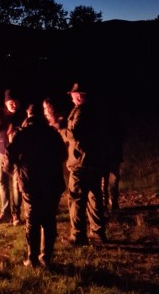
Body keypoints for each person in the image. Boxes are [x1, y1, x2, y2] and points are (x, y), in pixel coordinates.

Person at [5, 102, 68, 268]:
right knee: (48, 220)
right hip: (51, 183)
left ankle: (32, 259)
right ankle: (46, 257)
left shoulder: (23, 134)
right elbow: (63, 154)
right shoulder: (52, 134)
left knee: (33, 220)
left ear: (28, 115)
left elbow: (9, 153)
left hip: (30, 183)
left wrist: (12, 169)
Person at [61, 82, 108, 246]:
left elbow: (74, 134)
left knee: (76, 199)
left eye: (73, 96)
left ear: (79, 96)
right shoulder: (97, 109)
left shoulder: (81, 111)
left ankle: (78, 236)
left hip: (81, 162)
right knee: (94, 196)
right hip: (96, 160)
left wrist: (60, 131)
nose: (72, 99)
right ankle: (98, 232)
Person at [0, 89, 26, 226]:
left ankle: (16, 214)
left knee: (16, 184)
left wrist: (17, 131)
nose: (13, 105)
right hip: (2, 153)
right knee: (2, 181)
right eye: (10, 102)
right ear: (6, 103)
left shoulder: (22, 115)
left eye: (15, 102)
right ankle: (5, 213)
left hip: (17, 155)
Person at [101, 107, 126, 213]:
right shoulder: (101, 124)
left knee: (113, 180)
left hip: (113, 155)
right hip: (105, 156)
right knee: (105, 180)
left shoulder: (116, 125)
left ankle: (113, 202)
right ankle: (105, 203)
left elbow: (122, 137)